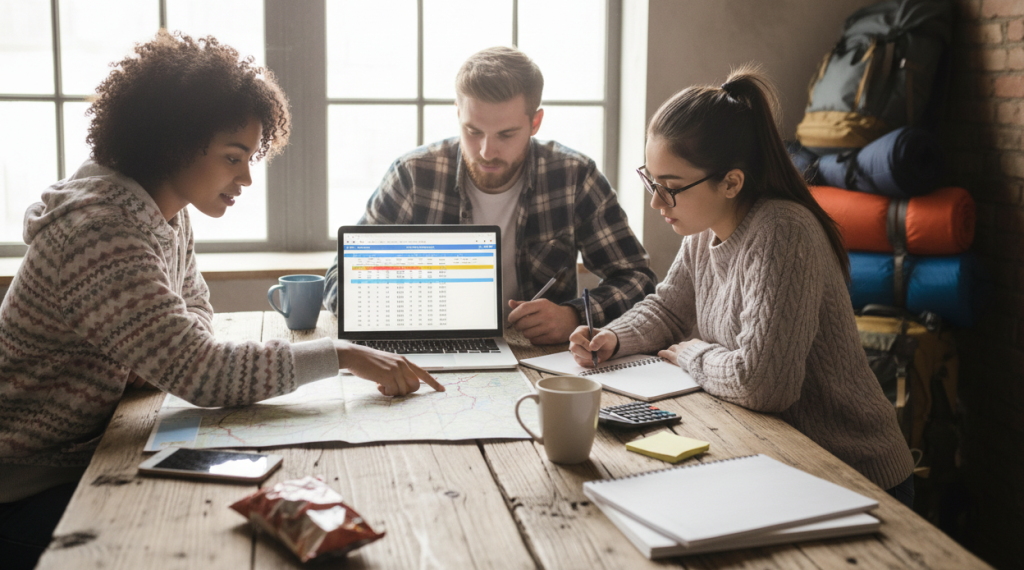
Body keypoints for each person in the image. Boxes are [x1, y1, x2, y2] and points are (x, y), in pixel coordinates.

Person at [0, 31, 443, 570]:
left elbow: (197, 320)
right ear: (173, 140)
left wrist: (162, 355)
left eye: (251, 157)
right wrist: (343, 355)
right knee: (226, 542)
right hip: (29, 483)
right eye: (234, 157)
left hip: (94, 448)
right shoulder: (102, 232)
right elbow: (204, 371)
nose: (247, 177)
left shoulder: (165, 211)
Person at [569, 67, 916, 506]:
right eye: (652, 181)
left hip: (854, 475)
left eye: (670, 188)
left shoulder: (783, 233)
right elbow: (670, 309)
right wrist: (613, 337)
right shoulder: (702, 227)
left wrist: (692, 352)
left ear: (731, 182)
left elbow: (764, 383)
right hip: (781, 459)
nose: (656, 201)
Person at [324, 46, 656, 345]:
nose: (486, 151)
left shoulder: (574, 176)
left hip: (537, 356)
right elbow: (338, 284)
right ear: (458, 113)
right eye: (473, 131)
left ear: (535, 122)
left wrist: (574, 315)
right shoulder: (413, 175)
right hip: (429, 345)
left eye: (506, 134)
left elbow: (638, 280)